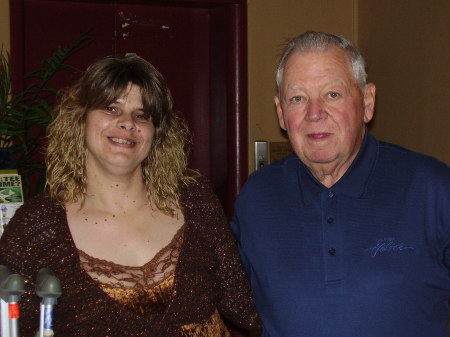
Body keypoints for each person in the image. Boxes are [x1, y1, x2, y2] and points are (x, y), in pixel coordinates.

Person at [0, 54, 260, 336]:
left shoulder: (196, 202)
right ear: (81, 119)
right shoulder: (36, 228)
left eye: (141, 115)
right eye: (111, 108)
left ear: (156, 133)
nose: (127, 123)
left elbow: (247, 309)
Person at [231, 31, 450, 337]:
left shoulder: (433, 189)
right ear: (281, 113)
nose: (315, 113)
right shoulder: (256, 198)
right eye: (297, 98)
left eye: (332, 94)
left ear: (368, 102)